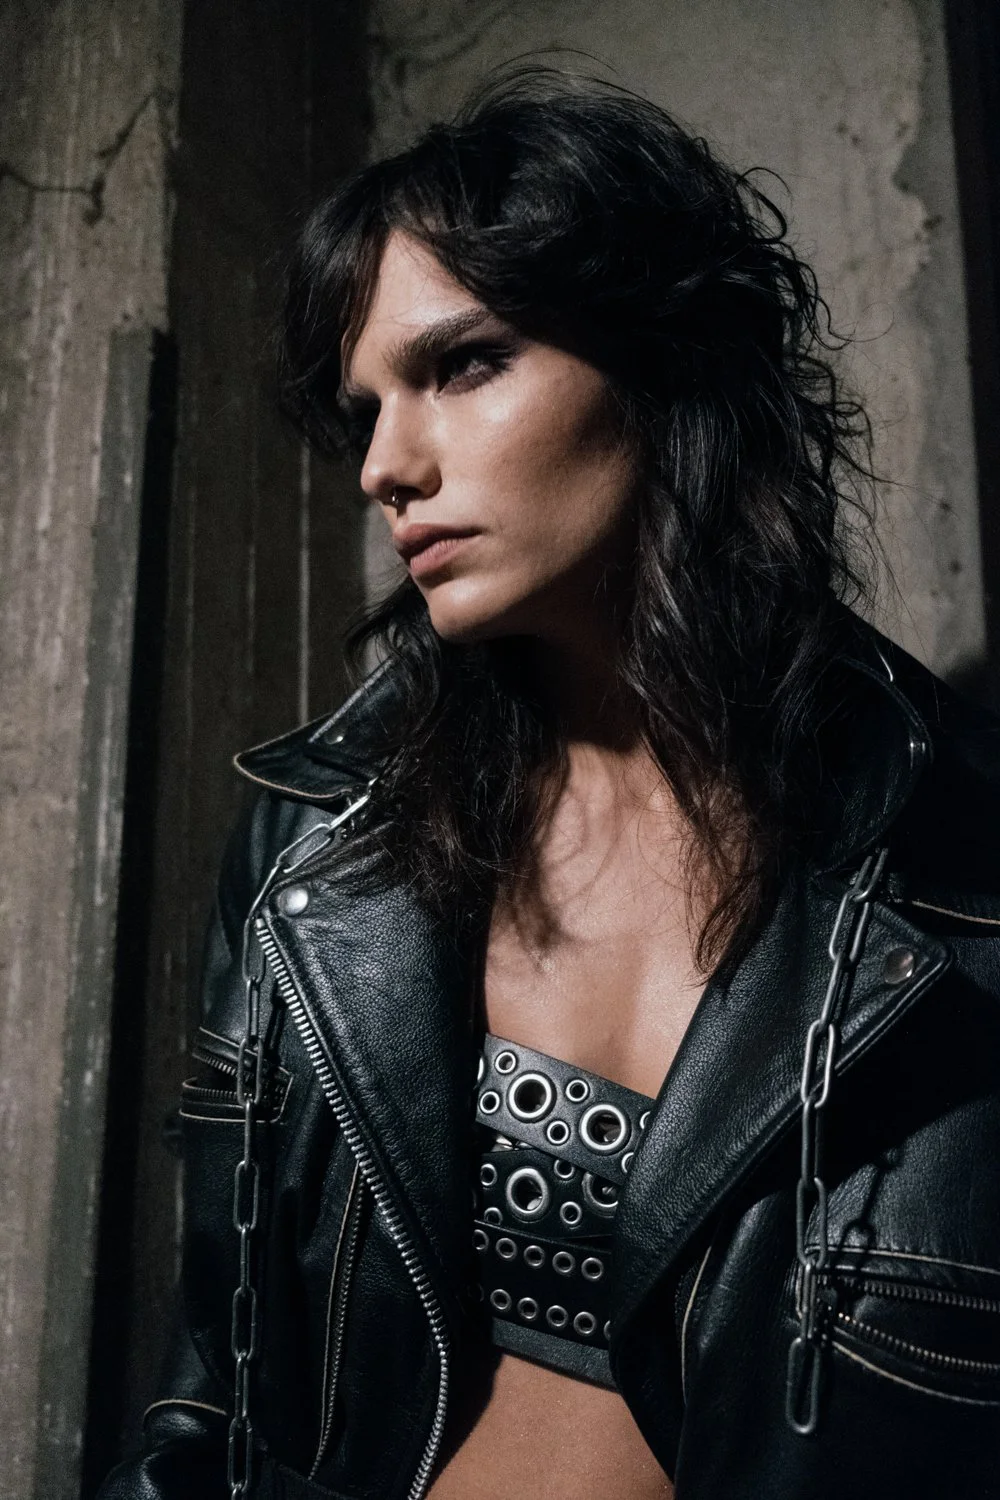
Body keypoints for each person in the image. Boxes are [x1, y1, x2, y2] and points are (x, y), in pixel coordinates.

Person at [98, 71, 1000, 1500]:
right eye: (366, 408)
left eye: (461, 364)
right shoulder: (317, 843)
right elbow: (214, 1384)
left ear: (663, 357)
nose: (385, 468)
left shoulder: (965, 879)